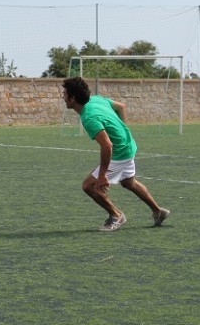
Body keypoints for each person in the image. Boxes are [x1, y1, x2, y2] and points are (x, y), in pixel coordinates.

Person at [62, 76, 170, 231]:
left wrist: (102, 176)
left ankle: (116, 215)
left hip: (119, 154)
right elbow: (121, 107)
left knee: (89, 186)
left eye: (64, 94)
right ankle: (158, 211)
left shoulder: (89, 118)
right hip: (129, 145)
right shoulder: (96, 99)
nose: (63, 97)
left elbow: (107, 145)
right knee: (128, 182)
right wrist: (123, 131)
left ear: (72, 99)